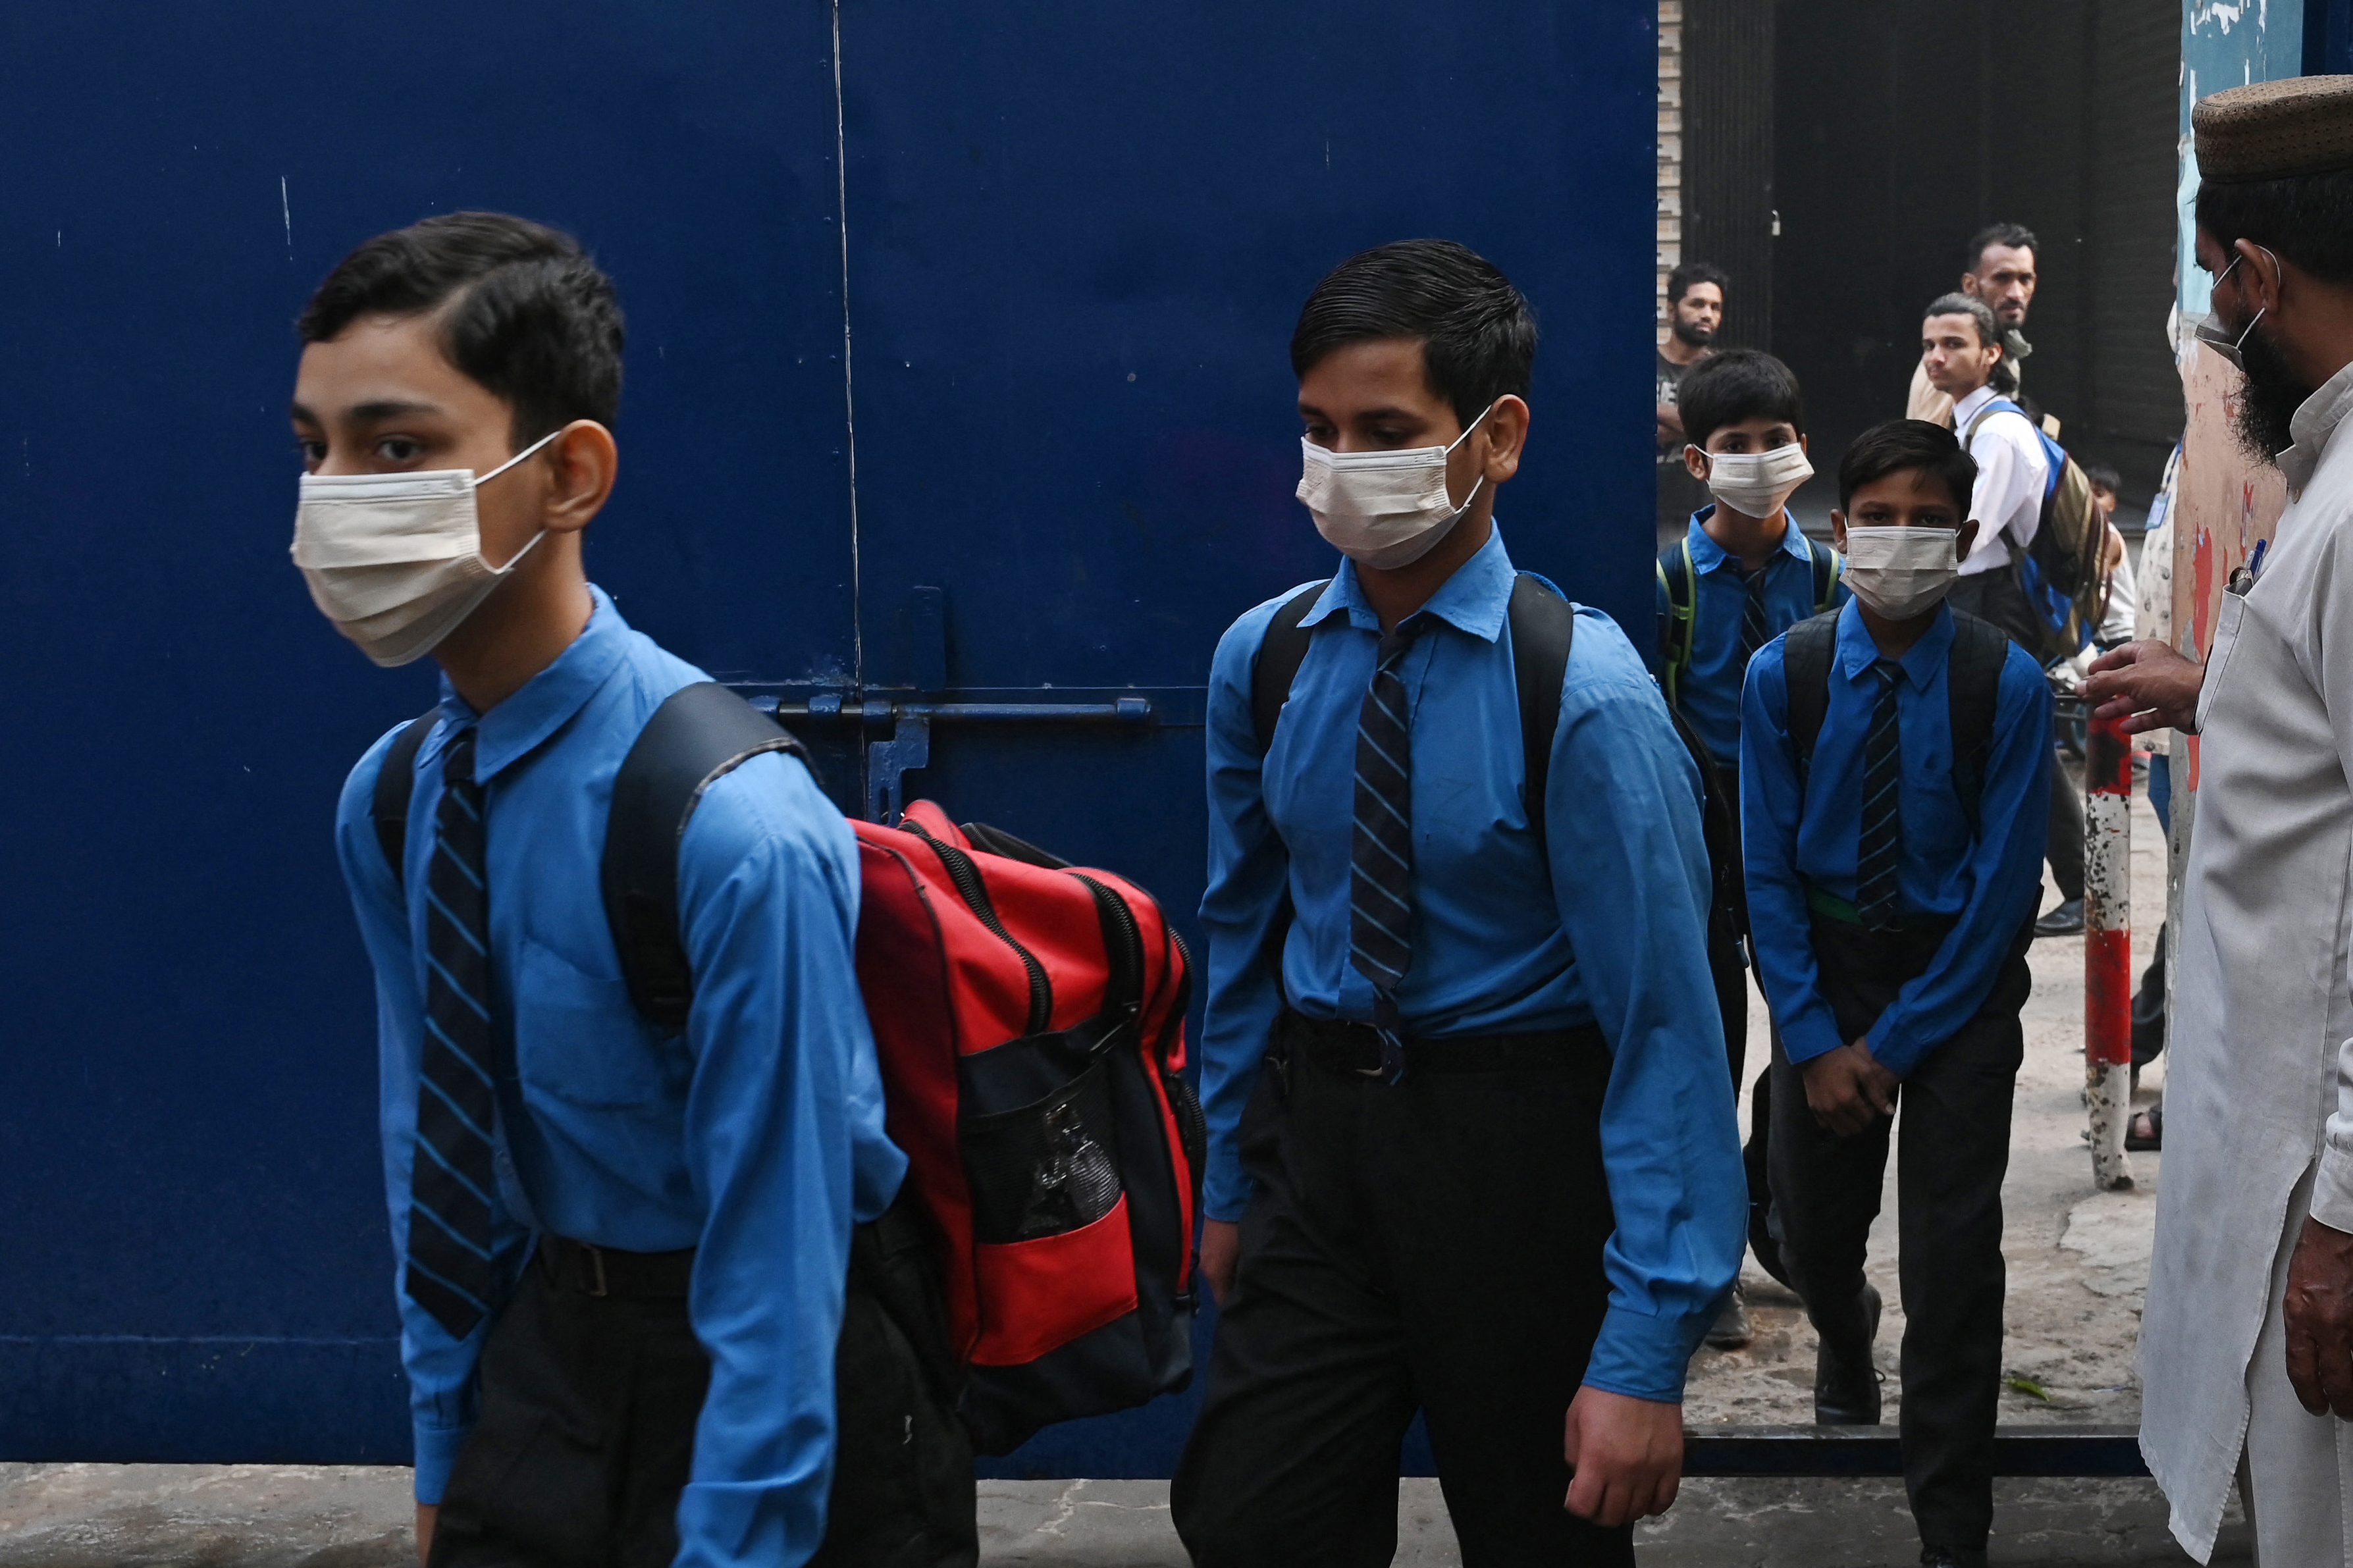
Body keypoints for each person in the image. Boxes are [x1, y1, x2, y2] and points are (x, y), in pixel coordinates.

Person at [294, 213, 972, 1568]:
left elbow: (778, 1263)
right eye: (315, 450)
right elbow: (434, 1155)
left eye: (399, 448)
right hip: (551, 1362)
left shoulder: (731, 824)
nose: (338, 496)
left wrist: (738, 1540)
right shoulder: (394, 797)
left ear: (569, 476)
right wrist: (445, 1446)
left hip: (785, 1401)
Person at [1173, 239, 1744, 1565]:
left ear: (1495, 439)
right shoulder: (1259, 666)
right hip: (1315, 1157)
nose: (1339, 464)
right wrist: (1225, 1179)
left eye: (1384, 431)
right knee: (1254, 1522)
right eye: (1317, 430)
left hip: (1512, 1164)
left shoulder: (1585, 703)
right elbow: (1240, 941)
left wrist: (1645, 1350)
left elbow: (1667, 1029)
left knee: (1538, 1536)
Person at [2085, 75, 2353, 1563]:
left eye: (2209, 285)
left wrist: (2340, 1222)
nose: (2209, 321)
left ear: (2252, 275)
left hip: (2313, 1189)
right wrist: (2217, 692)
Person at [1742, 419, 2051, 1568]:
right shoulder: (1788, 673)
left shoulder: (2000, 682)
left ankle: (1948, 1526)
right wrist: (1817, 1039)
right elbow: (1763, 871)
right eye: (1878, 518)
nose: (1901, 539)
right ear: (1839, 529)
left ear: (1964, 537)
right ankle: (1839, 1324)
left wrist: (1902, 1038)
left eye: (1928, 520)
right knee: (1806, 1221)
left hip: (1956, 988)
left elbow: (2000, 887)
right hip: (1827, 973)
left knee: (1952, 1259)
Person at [1654, 348, 1849, 1344]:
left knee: (1809, 1037)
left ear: (1803, 449)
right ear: (1698, 463)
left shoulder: (1828, 574)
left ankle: (1792, 1230)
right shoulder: (1670, 580)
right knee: (1709, 1043)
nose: (1760, 457)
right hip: (1703, 832)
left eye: (1776, 441)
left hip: (1800, 833)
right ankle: (1710, 1264)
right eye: (1737, 445)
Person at [1919, 292, 2088, 938]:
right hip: (1984, 597)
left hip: (1999, 602)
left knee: (2014, 743)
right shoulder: (1969, 422)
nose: (1937, 356)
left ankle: (2081, 885)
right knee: (1997, 742)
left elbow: (1965, 536)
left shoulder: (1998, 432)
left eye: (1954, 344)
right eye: (1930, 344)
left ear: (1990, 353)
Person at [1908, 225, 2040, 429]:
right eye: (2002, 278)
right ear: (1970, 285)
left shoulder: (2003, 348)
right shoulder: (1951, 360)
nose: (2016, 293)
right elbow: (1926, 451)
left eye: (2026, 279)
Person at [1658, 261, 1729, 545]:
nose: (1707, 315)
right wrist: (1698, 422)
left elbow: (1722, 431)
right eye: (1698, 304)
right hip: (1641, 508)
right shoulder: (1641, 365)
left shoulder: (1723, 372)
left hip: (1701, 518)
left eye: (1715, 307)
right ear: (1672, 310)